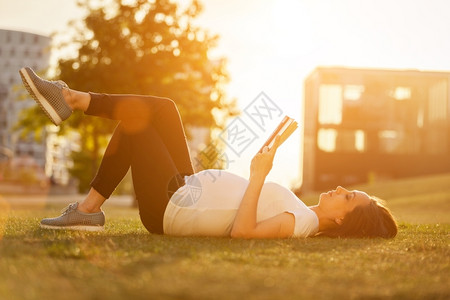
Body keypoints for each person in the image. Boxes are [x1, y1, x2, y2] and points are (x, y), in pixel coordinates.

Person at [19, 67, 398, 239]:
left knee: (137, 124)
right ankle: (72, 100)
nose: (341, 190)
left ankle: (86, 206)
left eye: (348, 198)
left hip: (173, 208)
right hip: (187, 187)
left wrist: (259, 174)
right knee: (165, 108)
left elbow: (242, 231)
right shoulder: (301, 211)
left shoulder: (301, 224)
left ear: (341, 223)